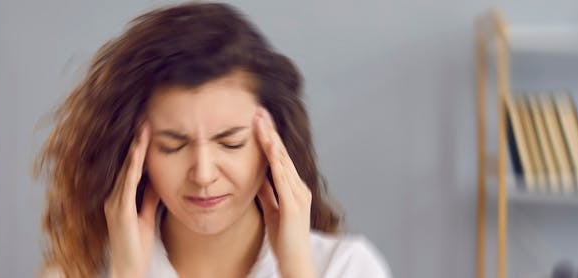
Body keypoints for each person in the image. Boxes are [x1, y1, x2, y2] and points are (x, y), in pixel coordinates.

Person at [38, 3, 391, 277]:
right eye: (172, 145)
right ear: (135, 153)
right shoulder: (80, 273)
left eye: (231, 142)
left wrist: (296, 269)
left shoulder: (346, 268)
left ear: (272, 146)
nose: (204, 175)